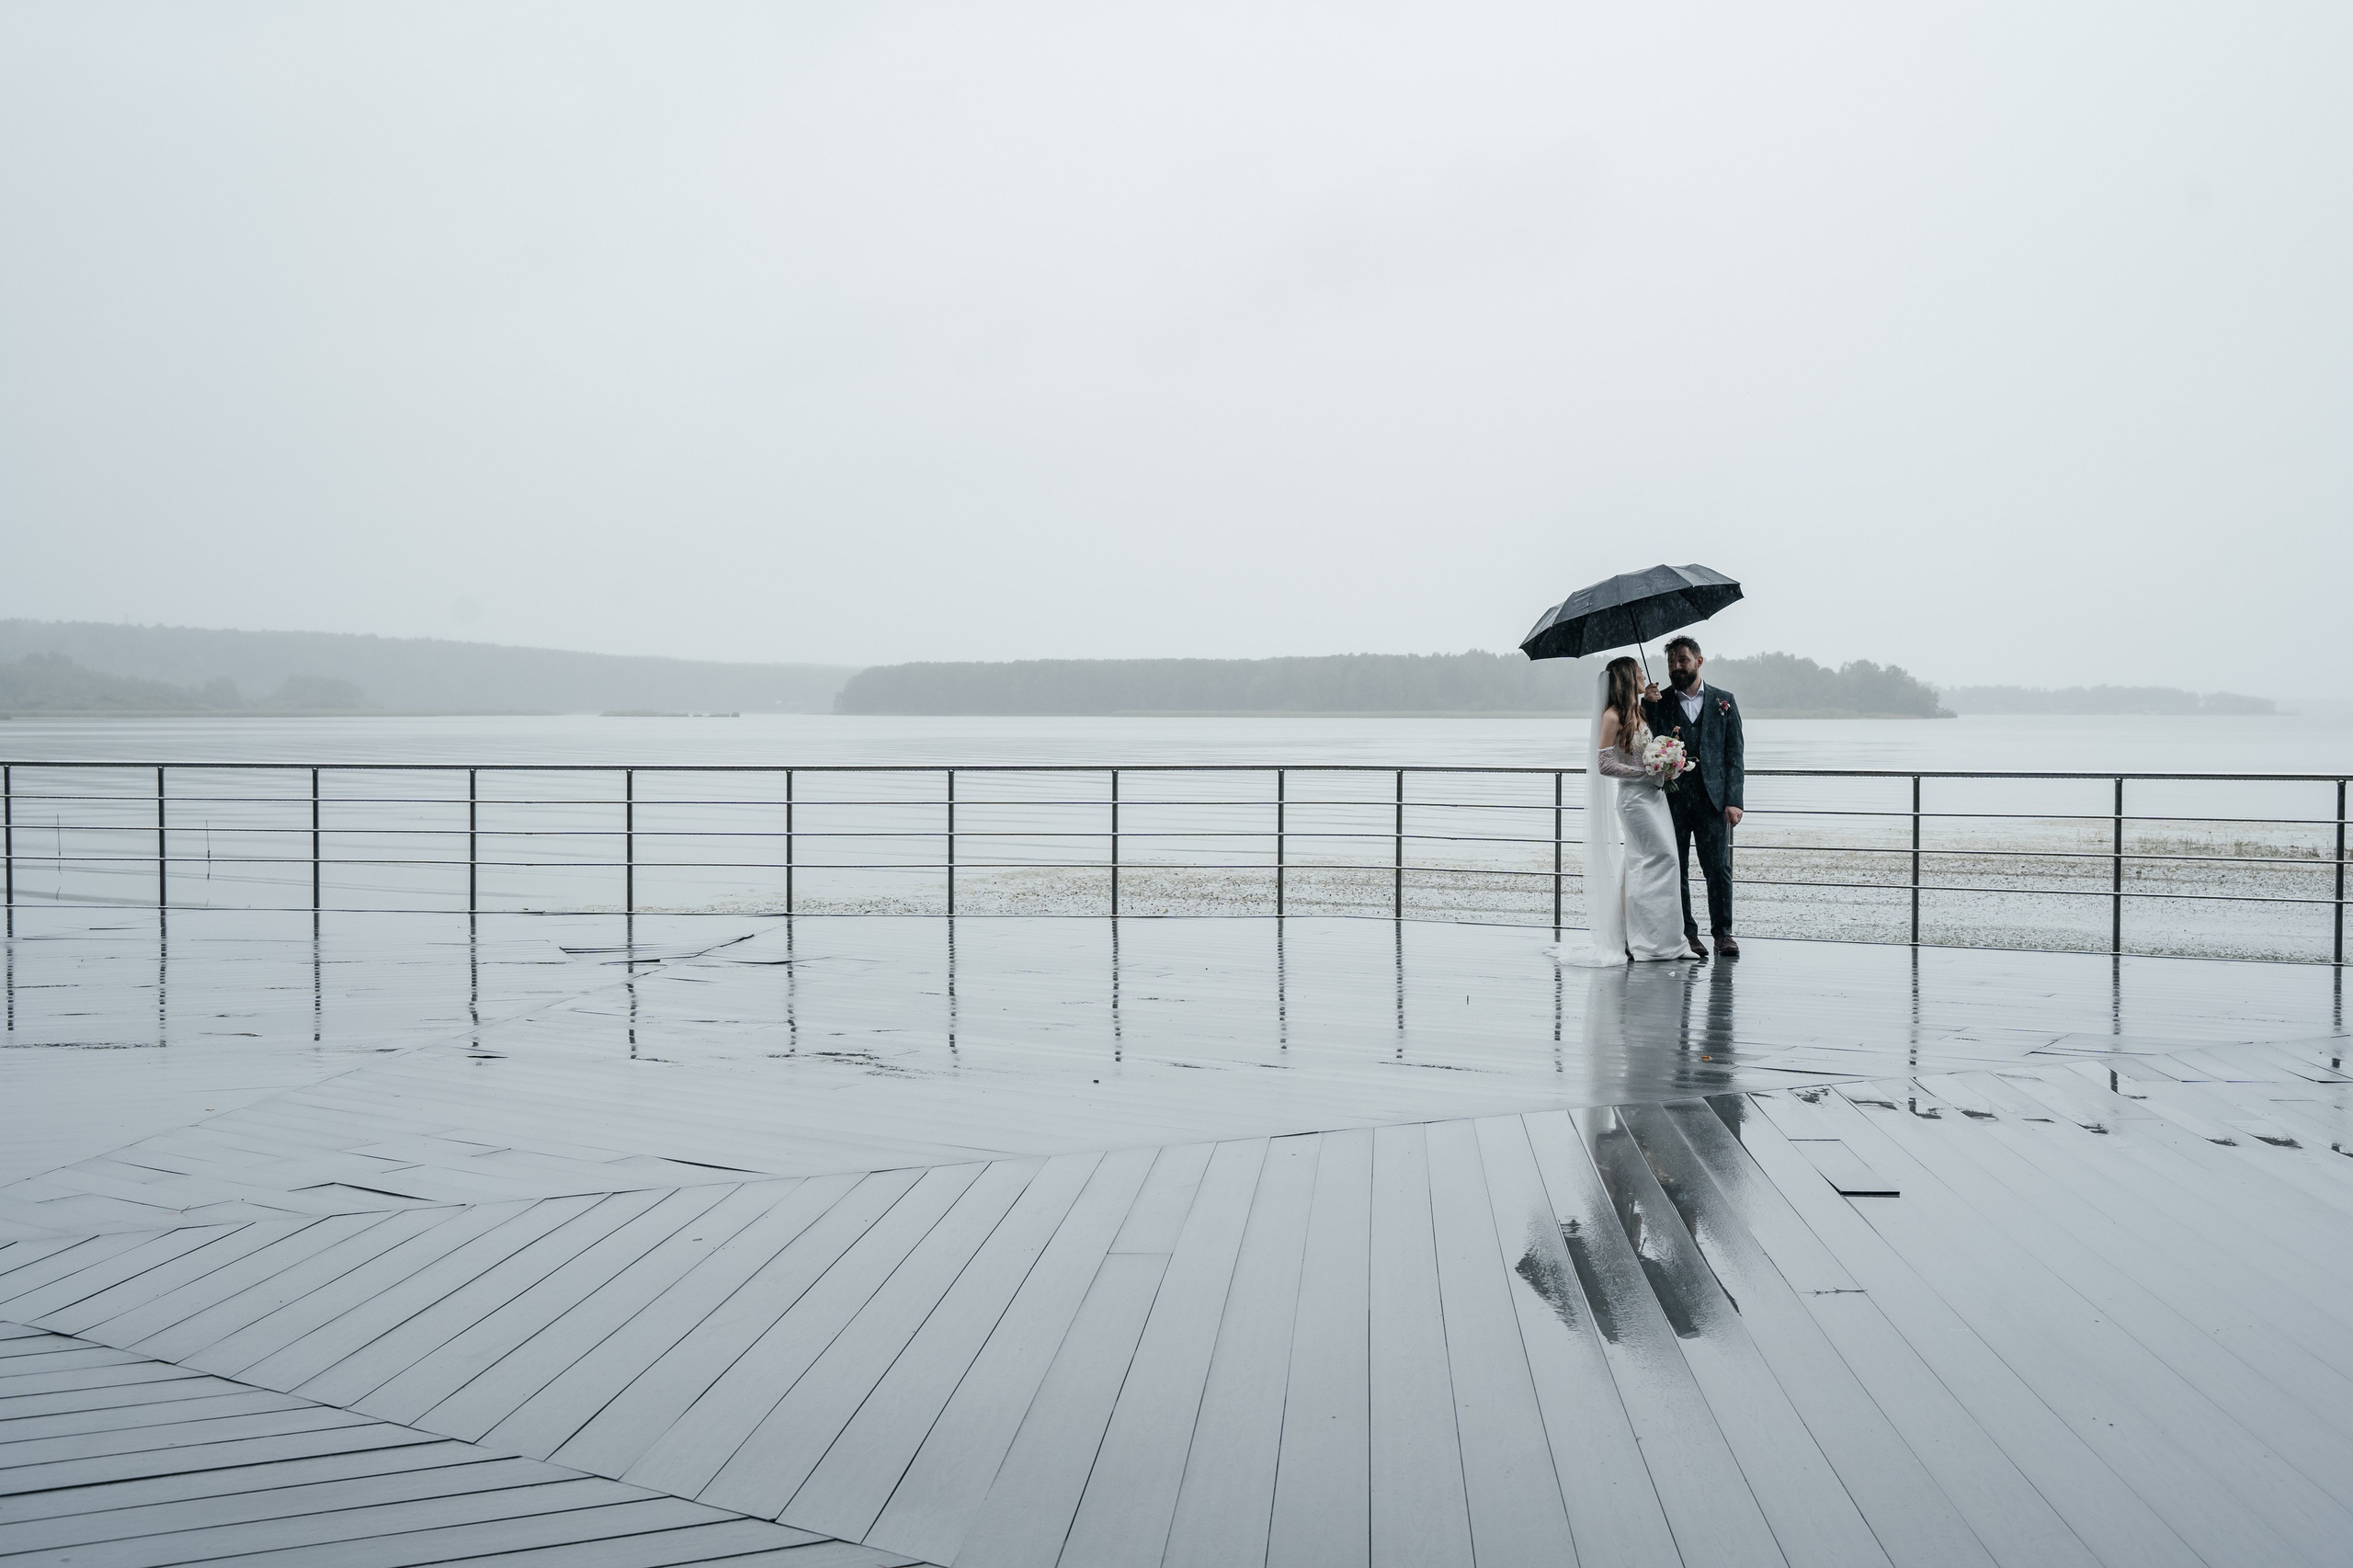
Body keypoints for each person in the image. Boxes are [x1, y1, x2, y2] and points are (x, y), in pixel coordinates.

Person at [1551, 655, 1695, 965]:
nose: (1644, 674)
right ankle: (1650, 943)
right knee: (1661, 859)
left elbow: (1647, 747)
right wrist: (1646, 772)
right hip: (1634, 801)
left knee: (1646, 863)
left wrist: (1667, 763)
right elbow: (1604, 764)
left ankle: (1663, 938)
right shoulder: (1612, 717)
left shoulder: (1638, 712)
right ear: (1629, 677)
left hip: (1654, 797)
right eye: (1640, 671)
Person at [1644, 634, 1744, 958]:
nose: (1676, 667)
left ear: (1698, 661)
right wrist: (1647, 704)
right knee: (1677, 869)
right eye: (1671, 662)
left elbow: (1734, 756)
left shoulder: (1723, 701)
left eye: (1682, 660)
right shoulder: (1659, 702)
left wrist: (1734, 800)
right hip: (1671, 801)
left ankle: (1723, 934)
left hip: (1713, 802)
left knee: (1718, 869)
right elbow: (1647, 745)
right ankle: (1688, 934)